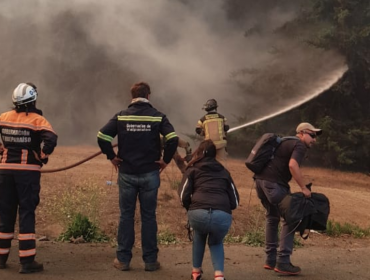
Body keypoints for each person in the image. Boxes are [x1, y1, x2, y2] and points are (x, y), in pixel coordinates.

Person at [97, 82, 179, 272]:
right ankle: (150, 262)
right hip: (150, 174)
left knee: (126, 216)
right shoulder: (158, 117)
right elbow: (172, 138)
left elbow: (102, 135)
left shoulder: (121, 116)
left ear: (131, 96)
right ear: (148, 96)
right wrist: (165, 160)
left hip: (127, 173)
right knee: (149, 217)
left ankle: (123, 260)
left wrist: (112, 156)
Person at [0, 83, 58, 273]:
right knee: (26, 212)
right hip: (27, 173)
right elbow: (51, 138)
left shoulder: (4, 117)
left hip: (5, 172)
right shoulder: (37, 120)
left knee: (5, 214)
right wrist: (43, 154)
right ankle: (26, 262)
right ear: (33, 99)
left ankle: (1, 258)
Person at [253, 122, 322, 275]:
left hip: (260, 182)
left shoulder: (285, 141)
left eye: (315, 136)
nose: (314, 139)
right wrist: (303, 188)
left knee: (272, 217)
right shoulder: (299, 145)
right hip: (274, 185)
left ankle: (270, 260)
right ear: (302, 133)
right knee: (290, 218)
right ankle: (283, 261)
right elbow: (292, 165)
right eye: (312, 135)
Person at [178, 140, 239, 280]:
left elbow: (183, 196)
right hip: (222, 215)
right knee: (216, 242)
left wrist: (190, 208)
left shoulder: (192, 169)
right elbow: (235, 201)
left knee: (199, 235)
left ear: (199, 152)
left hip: (198, 214)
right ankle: (219, 275)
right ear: (215, 154)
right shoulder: (224, 172)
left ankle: (196, 272)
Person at [195, 99, 229, 164]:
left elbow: (197, 130)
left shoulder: (202, 119)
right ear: (215, 107)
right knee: (222, 163)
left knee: (207, 162)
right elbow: (226, 128)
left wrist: (204, 133)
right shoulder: (222, 117)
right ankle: (222, 174)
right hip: (221, 145)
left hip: (209, 145)